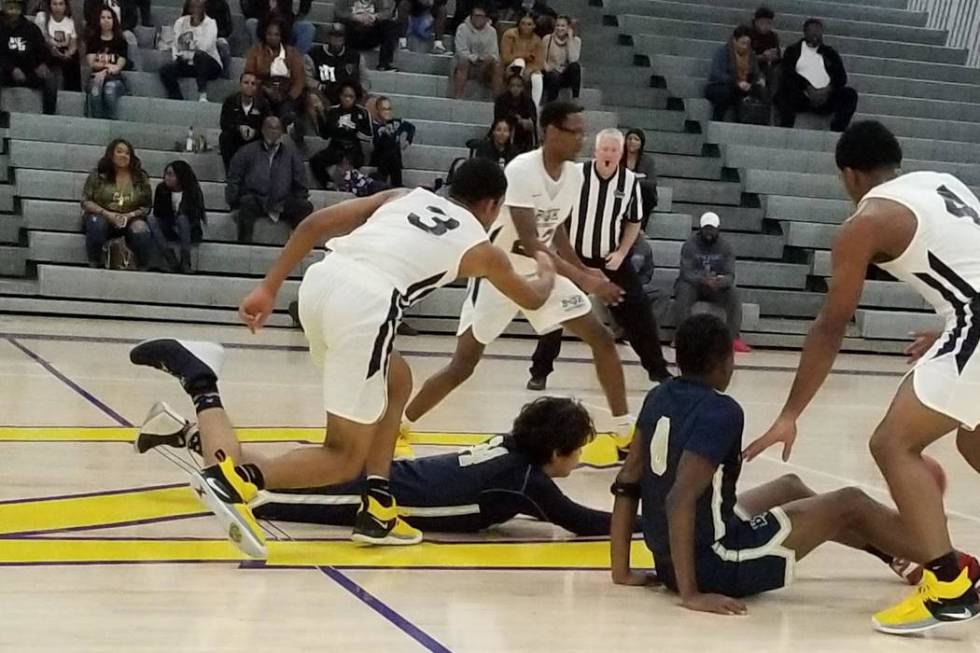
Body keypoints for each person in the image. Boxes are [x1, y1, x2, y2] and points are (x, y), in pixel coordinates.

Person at [129, 157, 559, 555]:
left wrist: (268, 288)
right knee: (341, 457)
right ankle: (236, 479)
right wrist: (546, 269)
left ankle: (379, 505)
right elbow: (534, 299)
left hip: (321, 284)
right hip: (367, 305)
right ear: (492, 205)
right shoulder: (482, 248)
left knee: (398, 379)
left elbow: (315, 224)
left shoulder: (402, 196)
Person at [744, 120, 980, 634]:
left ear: (849, 175)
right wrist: (947, 326)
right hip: (969, 319)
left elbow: (832, 325)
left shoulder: (864, 222)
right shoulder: (942, 182)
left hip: (976, 324)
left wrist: (789, 413)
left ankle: (948, 587)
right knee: (974, 443)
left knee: (893, 444)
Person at [610, 313, 980, 618]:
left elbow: (628, 480)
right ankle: (954, 566)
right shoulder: (721, 410)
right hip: (717, 563)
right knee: (849, 503)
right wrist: (691, 594)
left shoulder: (659, 396)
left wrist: (622, 570)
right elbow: (680, 499)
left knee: (789, 485)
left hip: (671, 557)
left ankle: (896, 555)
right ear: (726, 360)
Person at [404, 102, 636, 444]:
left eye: (584, 132)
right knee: (463, 365)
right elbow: (529, 241)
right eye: (576, 132)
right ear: (551, 131)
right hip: (501, 273)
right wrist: (585, 279)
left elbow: (554, 228)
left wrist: (582, 267)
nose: (582, 140)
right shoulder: (522, 170)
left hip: (542, 271)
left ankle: (623, 432)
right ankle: (402, 422)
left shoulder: (574, 174)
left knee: (601, 338)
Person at [137, 396, 630, 535]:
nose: (580, 458)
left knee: (267, 469)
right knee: (258, 495)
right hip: (378, 498)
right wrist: (648, 523)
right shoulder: (526, 482)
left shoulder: (510, 451)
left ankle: (184, 433)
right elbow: (579, 522)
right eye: (577, 450)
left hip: (382, 472)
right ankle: (199, 411)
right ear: (555, 452)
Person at [527, 129, 670, 391]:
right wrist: (566, 254)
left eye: (614, 150)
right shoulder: (576, 176)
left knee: (640, 313)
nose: (609, 154)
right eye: (604, 149)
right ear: (595, 151)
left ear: (621, 153)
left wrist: (622, 252)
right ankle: (540, 371)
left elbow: (634, 221)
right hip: (574, 258)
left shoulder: (629, 182)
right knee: (557, 312)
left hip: (610, 261)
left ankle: (658, 371)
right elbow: (557, 215)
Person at [226, 115, 313, 243]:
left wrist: (299, 197)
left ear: (281, 132)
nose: (273, 132)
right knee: (245, 202)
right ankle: (244, 245)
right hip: (256, 200)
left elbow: (301, 181)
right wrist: (233, 204)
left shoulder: (292, 154)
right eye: (269, 128)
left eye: (277, 129)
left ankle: (295, 242)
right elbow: (234, 177)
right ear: (262, 130)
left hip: (282, 202)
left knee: (305, 206)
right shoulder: (246, 151)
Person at [674, 212, 751, 353]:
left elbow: (730, 275)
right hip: (694, 286)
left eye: (712, 229)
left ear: (718, 229)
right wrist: (702, 279)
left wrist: (719, 282)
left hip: (716, 286)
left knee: (733, 293)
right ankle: (681, 336)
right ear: (700, 228)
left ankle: (732, 338)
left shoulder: (726, 247)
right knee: (683, 289)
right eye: (706, 229)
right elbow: (686, 271)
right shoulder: (690, 245)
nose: (709, 233)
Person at [81, 139, 153, 269]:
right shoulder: (98, 175)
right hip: (103, 215)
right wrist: (108, 214)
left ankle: (143, 267)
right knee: (96, 223)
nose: (123, 156)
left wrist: (130, 215)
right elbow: (86, 201)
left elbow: (146, 206)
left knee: (142, 230)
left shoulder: (140, 177)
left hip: (130, 218)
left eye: (127, 153)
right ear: (111, 154)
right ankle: (94, 262)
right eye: (119, 152)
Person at [776, 18, 858, 132]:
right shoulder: (793, 51)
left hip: (826, 96)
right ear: (805, 32)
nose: (815, 34)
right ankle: (785, 127)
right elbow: (788, 74)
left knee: (850, 95)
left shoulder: (830, 53)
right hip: (802, 96)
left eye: (818, 31)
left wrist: (828, 89)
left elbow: (841, 77)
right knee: (783, 93)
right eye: (812, 31)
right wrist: (807, 87)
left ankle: (838, 128)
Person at [307, 81, 373, 189]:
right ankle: (328, 183)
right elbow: (325, 135)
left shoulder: (362, 113)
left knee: (347, 163)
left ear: (356, 97)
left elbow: (368, 136)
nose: (347, 99)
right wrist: (320, 116)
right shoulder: (333, 111)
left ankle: (350, 184)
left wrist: (352, 131)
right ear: (340, 96)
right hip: (335, 147)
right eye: (345, 96)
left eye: (351, 96)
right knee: (315, 160)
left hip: (354, 148)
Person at [0, 0, 57, 115]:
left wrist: (42, 63)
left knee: (50, 79)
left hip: (28, 70)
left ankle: (48, 116)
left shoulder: (31, 28)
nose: (13, 11)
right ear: (4, 7)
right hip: (5, 70)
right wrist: (11, 69)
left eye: (16, 8)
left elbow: (43, 50)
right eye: (10, 8)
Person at [244, 18, 305, 125]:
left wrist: (289, 97)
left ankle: (291, 127)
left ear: (282, 36)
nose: (273, 38)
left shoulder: (292, 52)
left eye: (276, 35)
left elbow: (299, 80)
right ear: (264, 34)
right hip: (262, 91)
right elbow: (249, 75)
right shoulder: (256, 51)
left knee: (288, 111)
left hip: (287, 94)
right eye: (269, 34)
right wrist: (266, 89)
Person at [159, 0, 222, 102]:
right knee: (165, 70)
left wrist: (189, 54)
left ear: (203, 9)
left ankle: (202, 94)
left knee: (200, 56)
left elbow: (205, 47)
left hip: (209, 65)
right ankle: (177, 98)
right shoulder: (180, 22)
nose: (195, 10)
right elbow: (176, 44)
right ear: (188, 8)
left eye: (198, 7)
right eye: (193, 7)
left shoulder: (211, 23)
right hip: (187, 63)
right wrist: (177, 58)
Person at [149, 160, 205, 274]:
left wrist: (179, 219)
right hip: (169, 226)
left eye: (171, 174)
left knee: (182, 218)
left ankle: (185, 260)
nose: (167, 178)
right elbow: (158, 214)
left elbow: (194, 217)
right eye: (166, 174)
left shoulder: (192, 191)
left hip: (189, 229)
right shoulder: (161, 189)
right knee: (151, 220)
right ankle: (169, 257)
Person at [704, 24, 764, 123]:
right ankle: (717, 120)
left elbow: (756, 73)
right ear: (735, 41)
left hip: (742, 87)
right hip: (720, 86)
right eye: (742, 43)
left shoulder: (751, 55)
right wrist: (736, 82)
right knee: (725, 93)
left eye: (747, 43)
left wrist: (758, 80)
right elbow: (717, 74)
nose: (745, 47)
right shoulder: (724, 51)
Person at [305, 23, 370, 105]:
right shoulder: (314, 54)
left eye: (340, 36)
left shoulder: (355, 56)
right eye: (334, 36)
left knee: (369, 100)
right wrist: (320, 87)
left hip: (350, 96)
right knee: (312, 97)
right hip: (324, 94)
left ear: (344, 38)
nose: (337, 39)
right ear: (328, 37)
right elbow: (307, 78)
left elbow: (364, 79)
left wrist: (358, 90)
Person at [218, 72, 271, 171]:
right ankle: (231, 173)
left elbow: (267, 126)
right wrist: (239, 128)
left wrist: (255, 132)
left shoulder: (263, 104)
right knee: (224, 137)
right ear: (240, 84)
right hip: (235, 137)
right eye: (246, 83)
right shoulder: (230, 101)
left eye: (253, 84)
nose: (250, 86)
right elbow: (224, 123)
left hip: (255, 139)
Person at [84, 7, 127, 120]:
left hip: (115, 79)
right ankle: (98, 123)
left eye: (109, 17)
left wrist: (104, 70)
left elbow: (118, 66)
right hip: (96, 78)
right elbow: (92, 63)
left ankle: (111, 122)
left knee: (109, 90)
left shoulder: (121, 41)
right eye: (102, 17)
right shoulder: (93, 40)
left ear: (114, 20)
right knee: (96, 90)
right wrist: (107, 67)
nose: (106, 20)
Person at [452, 3, 502, 99]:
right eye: (476, 16)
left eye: (481, 16)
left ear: (486, 18)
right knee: (463, 62)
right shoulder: (462, 28)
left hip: (485, 65)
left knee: (497, 67)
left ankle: (497, 102)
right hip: (467, 64)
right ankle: (458, 98)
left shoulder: (492, 31)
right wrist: (475, 58)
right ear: (471, 16)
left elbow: (494, 53)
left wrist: (487, 59)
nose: (478, 19)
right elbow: (461, 51)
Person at [334, 0, 398, 71]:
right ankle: (340, 61)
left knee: (390, 26)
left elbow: (387, 13)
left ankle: (384, 64)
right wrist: (355, 17)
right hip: (352, 33)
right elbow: (338, 12)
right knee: (338, 26)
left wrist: (374, 17)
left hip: (371, 33)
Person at [34, 0, 80, 92]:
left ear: (65, 6)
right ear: (50, 5)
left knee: (74, 56)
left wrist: (69, 53)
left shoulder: (70, 21)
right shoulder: (42, 18)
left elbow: (73, 42)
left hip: (63, 50)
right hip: (48, 49)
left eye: (60, 4)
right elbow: (40, 39)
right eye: (54, 4)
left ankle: (73, 91)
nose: (57, 7)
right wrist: (53, 49)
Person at [371, 95, 415, 188]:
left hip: (395, 158)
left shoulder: (396, 122)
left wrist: (408, 140)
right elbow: (376, 143)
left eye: (389, 109)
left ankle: (392, 184)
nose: (387, 112)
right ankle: (397, 184)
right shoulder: (373, 125)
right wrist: (384, 132)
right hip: (380, 158)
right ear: (378, 111)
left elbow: (411, 127)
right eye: (384, 109)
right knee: (390, 146)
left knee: (393, 151)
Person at [500, 12, 543, 107]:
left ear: (534, 26)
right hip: (509, 67)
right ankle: (515, 99)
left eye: (529, 24)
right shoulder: (509, 35)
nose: (525, 27)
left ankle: (534, 107)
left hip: (529, 68)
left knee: (537, 77)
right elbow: (506, 58)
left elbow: (540, 63)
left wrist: (530, 70)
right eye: (523, 23)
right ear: (519, 24)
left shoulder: (537, 40)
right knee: (520, 61)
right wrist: (524, 55)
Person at [242, 0, 315, 55]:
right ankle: (260, 57)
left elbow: (289, 17)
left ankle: (295, 62)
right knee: (251, 22)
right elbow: (249, 11)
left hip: (286, 29)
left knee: (308, 28)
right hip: (263, 29)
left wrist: (300, 14)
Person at [621, 128, 657, 230]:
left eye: (636, 139)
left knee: (646, 192)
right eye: (630, 138)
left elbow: (652, 183)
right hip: (623, 190)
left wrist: (634, 180)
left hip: (642, 192)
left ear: (641, 143)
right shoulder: (619, 158)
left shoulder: (648, 161)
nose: (632, 141)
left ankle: (640, 227)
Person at [541, 15, 580, 104]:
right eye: (557, 25)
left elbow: (573, 59)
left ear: (568, 28)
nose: (559, 28)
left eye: (563, 26)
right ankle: (550, 104)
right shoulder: (547, 38)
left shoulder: (576, 41)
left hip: (564, 74)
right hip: (550, 72)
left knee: (575, 66)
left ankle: (575, 99)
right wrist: (549, 68)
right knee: (554, 77)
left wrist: (570, 39)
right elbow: (541, 58)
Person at [494, 73, 537, 153]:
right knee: (502, 129)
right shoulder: (501, 99)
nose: (515, 88)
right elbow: (500, 117)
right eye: (512, 85)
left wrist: (525, 122)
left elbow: (533, 120)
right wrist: (518, 120)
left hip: (523, 134)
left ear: (523, 88)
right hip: (505, 129)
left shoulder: (528, 101)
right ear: (508, 87)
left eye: (518, 86)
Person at [750, 6, 780, 79]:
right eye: (762, 23)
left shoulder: (773, 36)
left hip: (766, 67)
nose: (765, 26)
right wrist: (762, 57)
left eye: (769, 23)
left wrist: (773, 55)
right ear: (756, 22)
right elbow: (743, 57)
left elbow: (778, 56)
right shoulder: (748, 34)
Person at [204, 0, 232, 74]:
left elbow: (228, 28)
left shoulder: (223, 5)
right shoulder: (197, 5)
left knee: (222, 44)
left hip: (218, 36)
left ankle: (225, 72)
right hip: (201, 37)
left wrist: (214, 35)